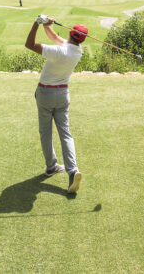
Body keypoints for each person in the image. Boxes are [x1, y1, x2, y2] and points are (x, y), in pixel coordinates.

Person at [24, 15, 85, 194]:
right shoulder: (77, 51)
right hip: (62, 94)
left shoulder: (58, 52)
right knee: (65, 133)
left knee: (46, 131)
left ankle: (51, 166)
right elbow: (55, 38)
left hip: (45, 93)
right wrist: (46, 25)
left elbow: (29, 44)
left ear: (71, 33)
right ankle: (73, 170)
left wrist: (36, 23)